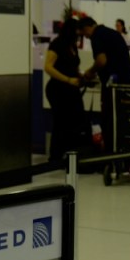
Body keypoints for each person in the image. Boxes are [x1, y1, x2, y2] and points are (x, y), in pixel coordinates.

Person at [43, 18, 87, 161]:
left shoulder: (72, 45)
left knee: (75, 121)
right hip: (58, 89)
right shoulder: (57, 44)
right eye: (77, 30)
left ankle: (70, 155)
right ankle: (55, 156)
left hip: (71, 89)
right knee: (61, 122)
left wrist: (80, 76)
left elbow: (73, 66)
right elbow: (48, 67)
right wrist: (68, 79)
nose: (79, 33)